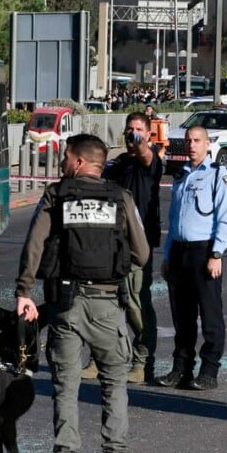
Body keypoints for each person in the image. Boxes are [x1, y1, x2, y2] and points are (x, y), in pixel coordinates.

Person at [15, 134, 150, 453]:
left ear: (77, 162)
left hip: (65, 306)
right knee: (114, 385)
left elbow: (34, 244)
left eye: (65, 157)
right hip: (107, 306)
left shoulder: (56, 196)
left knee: (66, 389)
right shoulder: (120, 198)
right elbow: (142, 254)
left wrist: (24, 291)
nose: (61, 164)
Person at [81, 112, 162, 384]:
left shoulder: (150, 161)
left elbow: (146, 156)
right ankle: (98, 360)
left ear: (149, 134)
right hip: (109, 247)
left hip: (137, 248)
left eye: (139, 129)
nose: (133, 133)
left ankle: (141, 363)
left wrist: (140, 143)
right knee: (102, 305)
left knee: (136, 306)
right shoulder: (117, 163)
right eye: (129, 128)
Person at [156, 125, 227, 391]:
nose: (191, 145)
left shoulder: (218, 176)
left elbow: (225, 219)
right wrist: (167, 256)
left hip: (204, 252)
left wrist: (216, 253)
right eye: (188, 140)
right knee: (182, 317)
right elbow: (174, 220)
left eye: (197, 140)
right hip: (179, 252)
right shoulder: (181, 177)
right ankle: (182, 368)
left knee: (211, 316)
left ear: (207, 144)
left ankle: (209, 371)